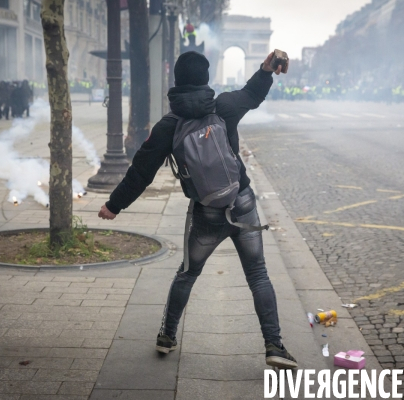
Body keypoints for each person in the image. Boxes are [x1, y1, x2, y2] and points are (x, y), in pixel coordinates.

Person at [98, 51, 297, 369]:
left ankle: (167, 335)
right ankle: (274, 345)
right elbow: (252, 95)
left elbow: (141, 172)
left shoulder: (168, 125)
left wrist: (114, 205)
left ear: (176, 82)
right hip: (241, 203)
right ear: (206, 79)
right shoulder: (225, 107)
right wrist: (265, 70)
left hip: (205, 212)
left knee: (188, 273)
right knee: (258, 274)